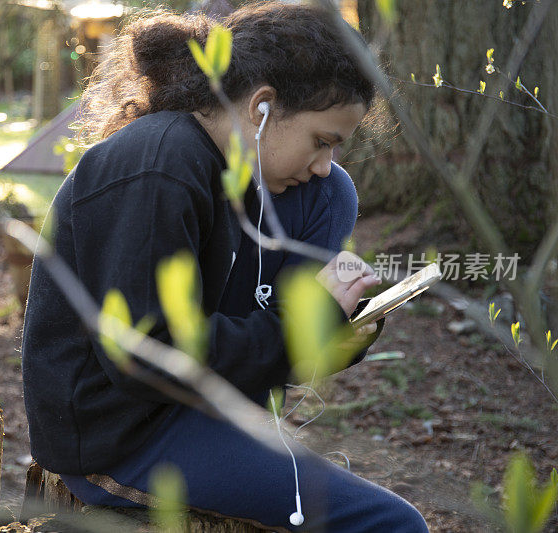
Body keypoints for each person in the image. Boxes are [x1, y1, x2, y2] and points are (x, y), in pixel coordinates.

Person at [21, 3, 429, 531]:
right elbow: (148, 354)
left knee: (332, 193)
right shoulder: (159, 163)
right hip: (123, 435)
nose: (324, 161)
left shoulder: (278, 184)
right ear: (262, 106)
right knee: (394, 524)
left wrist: (336, 330)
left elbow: (275, 338)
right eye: (321, 140)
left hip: (208, 408)